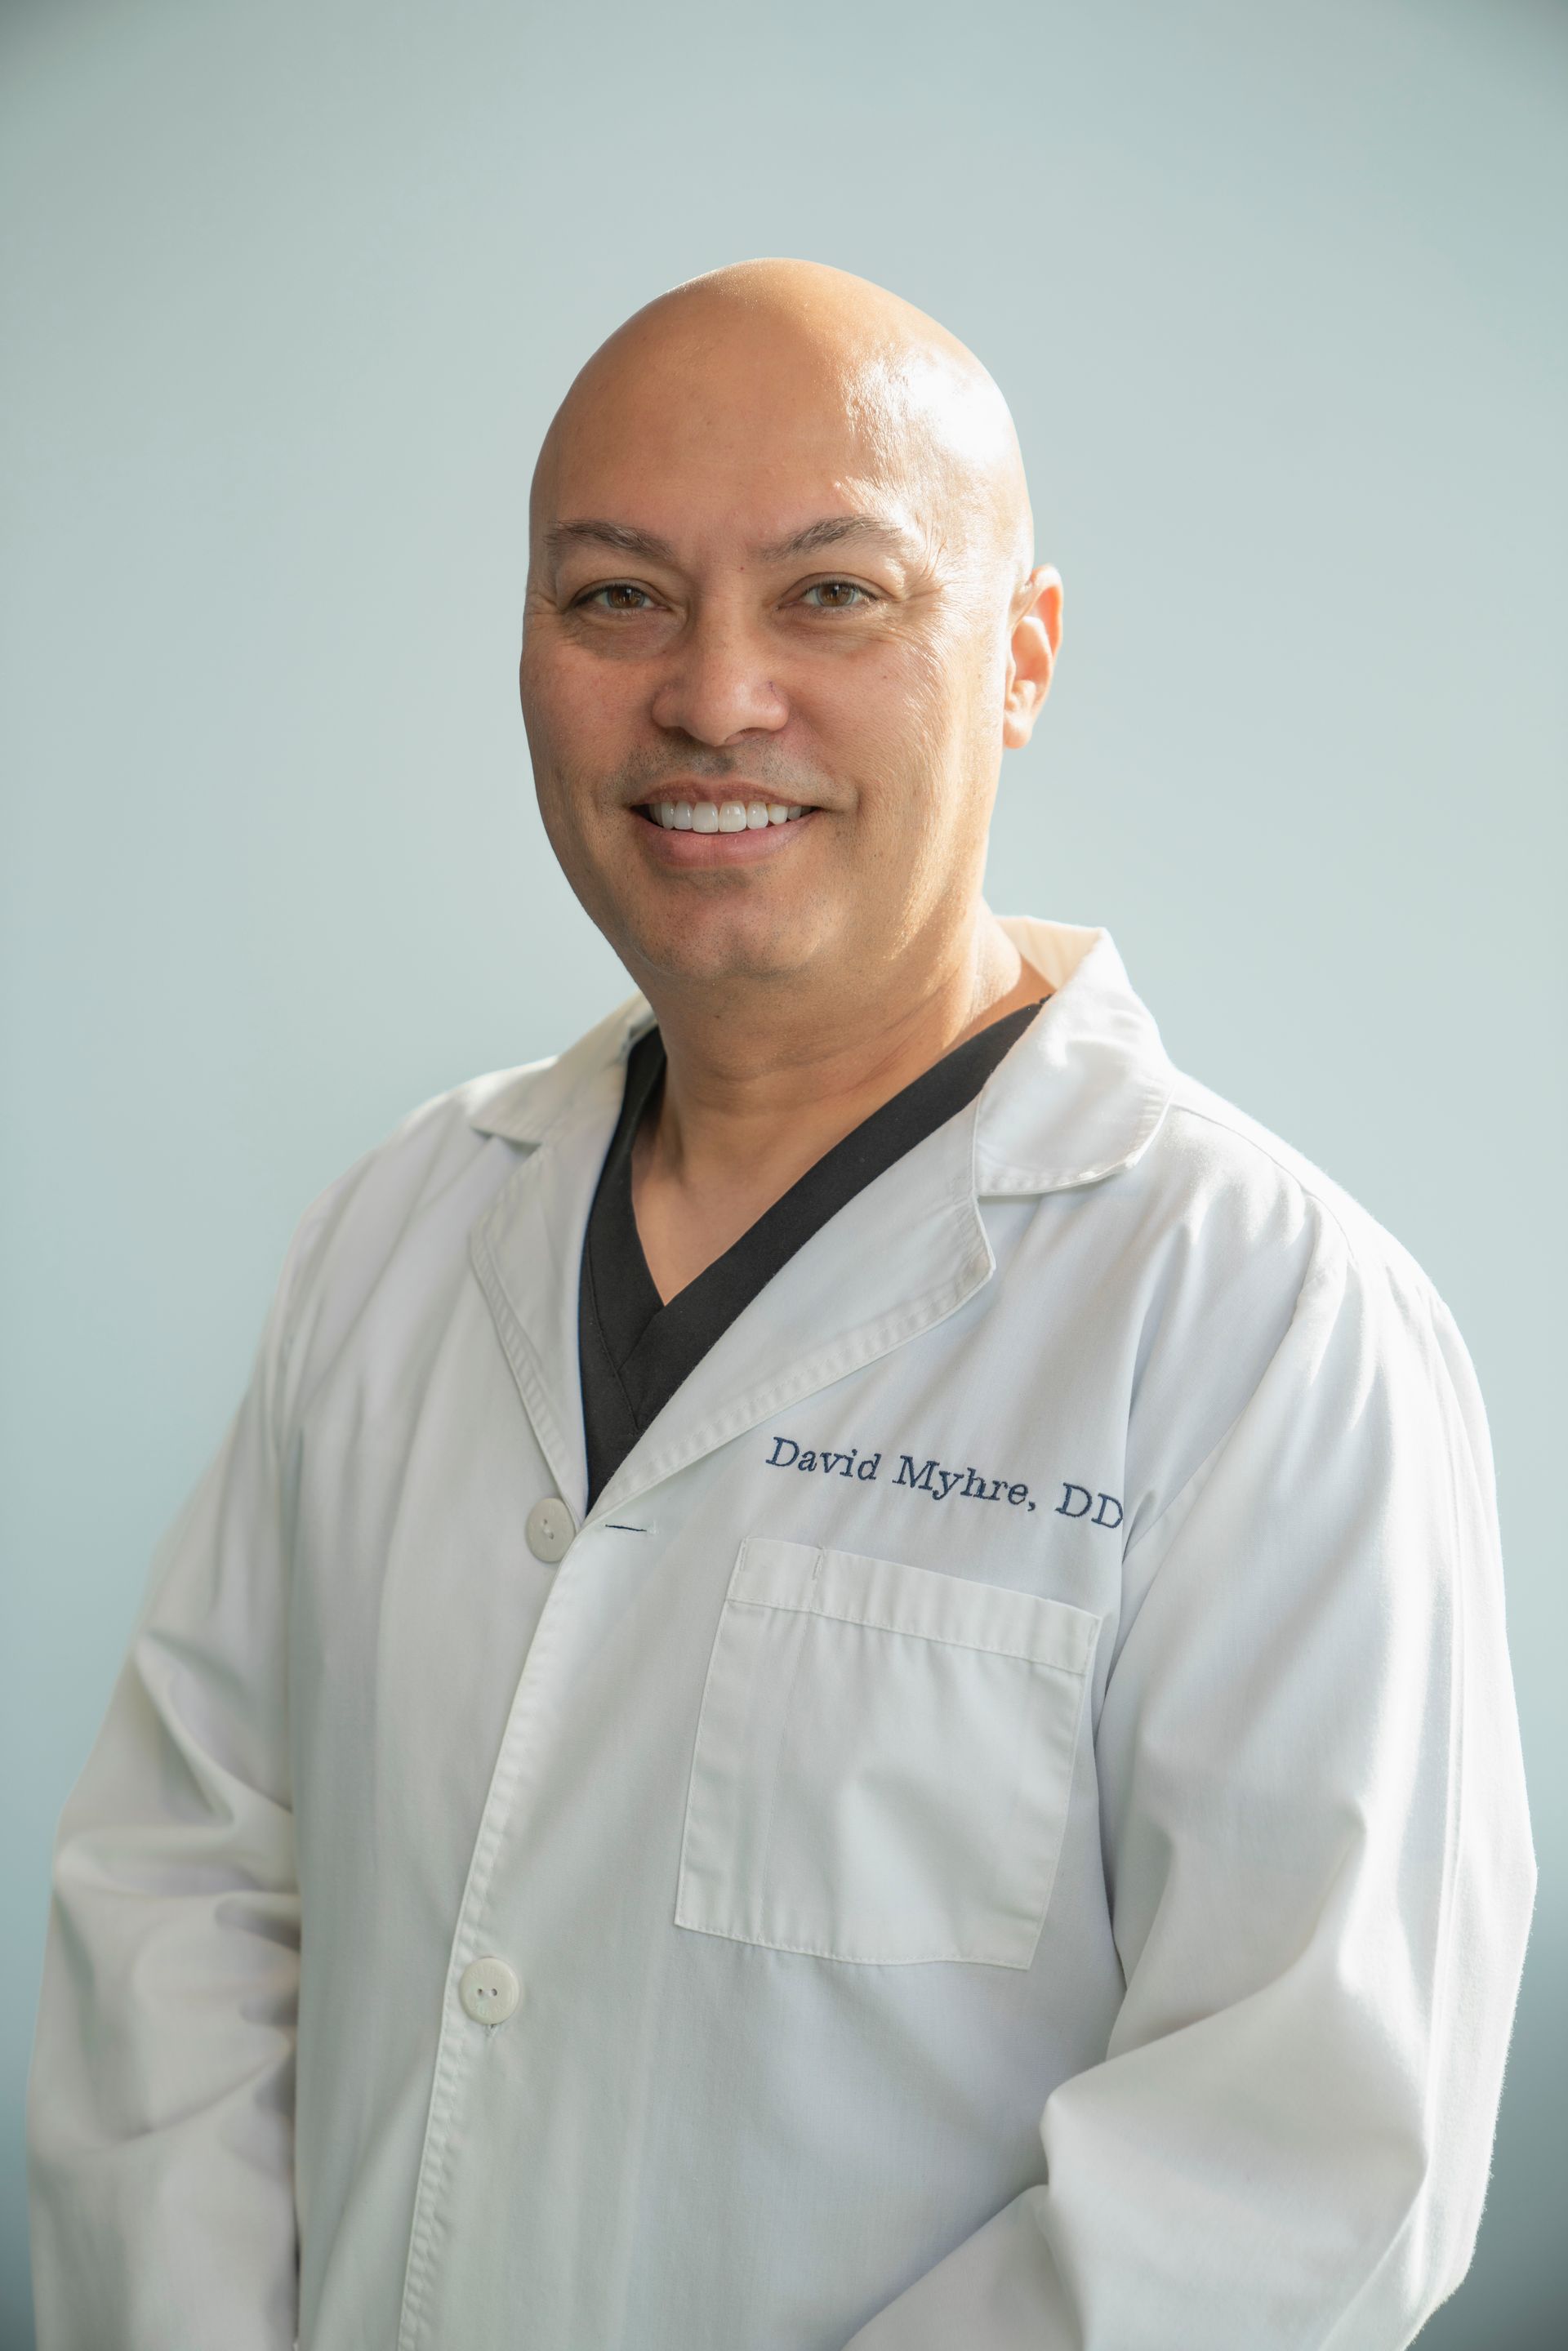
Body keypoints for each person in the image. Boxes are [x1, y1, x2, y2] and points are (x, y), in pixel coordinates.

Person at [26, 259, 1535, 2351]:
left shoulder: (1263, 1328)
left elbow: (1302, 2176)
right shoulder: (397, 1229)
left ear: (1021, 656)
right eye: (615, 596)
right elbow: (181, 1911)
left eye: (834, 594)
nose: (714, 696)